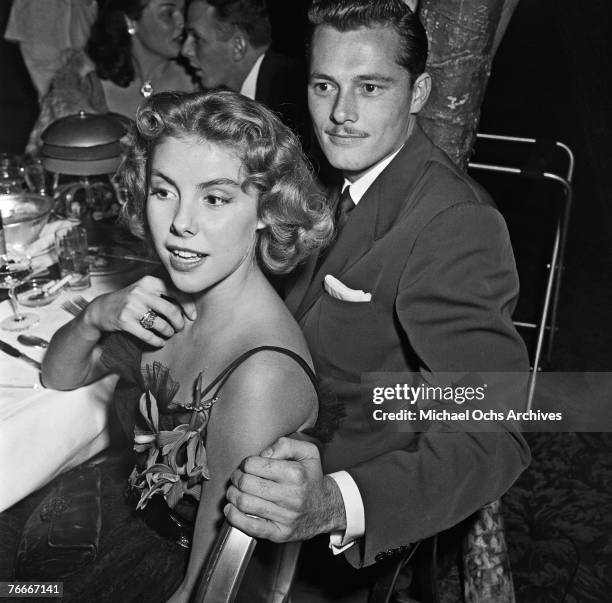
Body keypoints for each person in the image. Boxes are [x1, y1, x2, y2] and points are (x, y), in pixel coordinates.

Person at [223, 1, 531, 601]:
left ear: (418, 93)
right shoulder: (335, 180)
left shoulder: (454, 223)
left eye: (370, 87)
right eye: (324, 86)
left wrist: (335, 503)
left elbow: (493, 433)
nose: (340, 113)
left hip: (335, 547)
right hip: (260, 460)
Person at [8, 90, 332, 602]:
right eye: (164, 191)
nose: (182, 222)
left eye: (216, 198)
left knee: (24, 593)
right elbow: (59, 376)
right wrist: (97, 315)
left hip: (163, 569)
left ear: (268, 209)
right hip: (113, 518)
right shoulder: (175, 296)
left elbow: (203, 590)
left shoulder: (260, 376)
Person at [25, 0, 196, 155]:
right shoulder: (83, 88)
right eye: (168, 13)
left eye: (184, 12)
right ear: (130, 20)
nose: (182, 22)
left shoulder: (200, 83)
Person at [181, 0, 311, 145]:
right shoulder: (226, 99)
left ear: (238, 46)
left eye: (197, 38)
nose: (185, 50)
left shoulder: (293, 95)